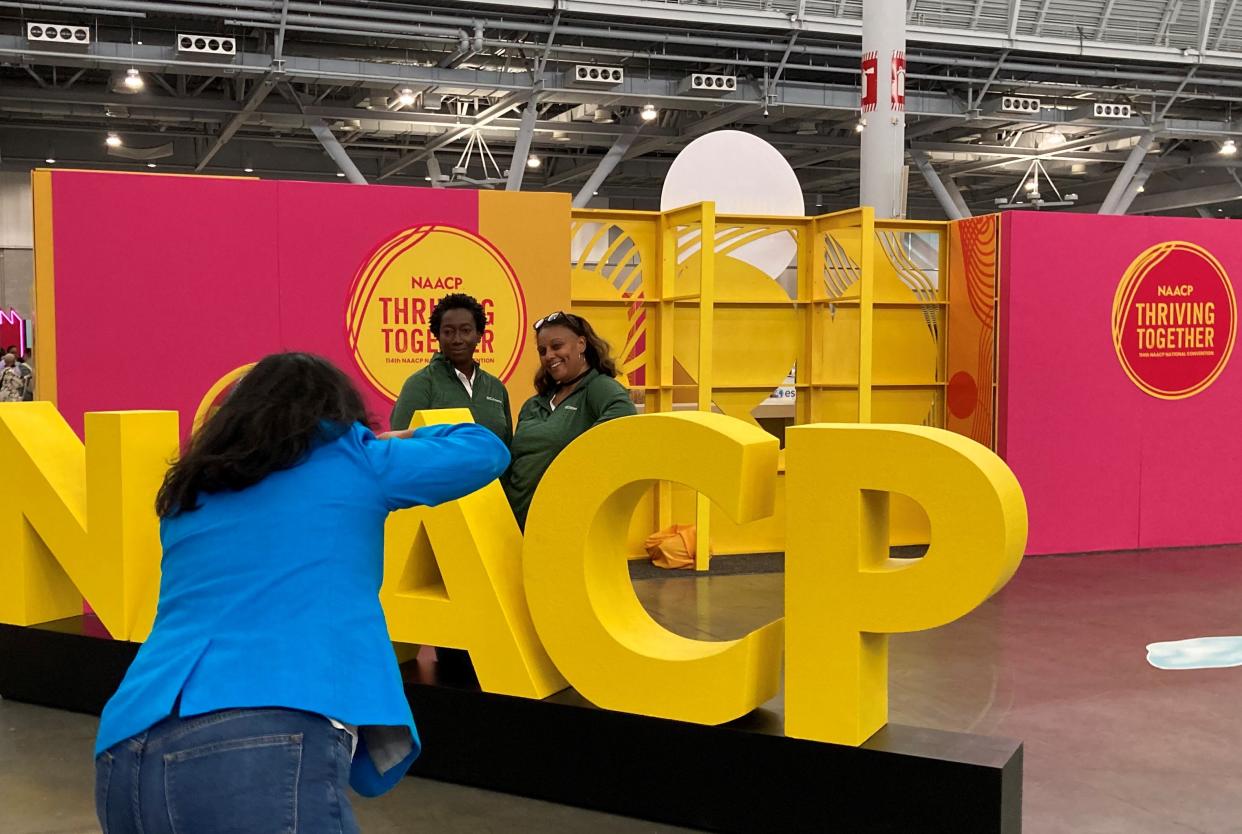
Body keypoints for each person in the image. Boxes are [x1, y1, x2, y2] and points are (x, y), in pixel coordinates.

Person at [93, 352, 510, 834]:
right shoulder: (355, 459)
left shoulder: (193, 491)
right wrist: (402, 436)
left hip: (126, 746)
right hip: (264, 733)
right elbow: (484, 449)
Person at [503, 311, 637, 529]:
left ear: (581, 344)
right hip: (516, 525)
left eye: (557, 346)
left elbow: (624, 418)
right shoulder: (533, 405)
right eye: (542, 350)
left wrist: (572, 466)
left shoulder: (598, 388)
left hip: (563, 526)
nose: (549, 355)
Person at [389, 293, 512, 443]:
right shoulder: (420, 384)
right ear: (437, 336)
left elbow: (507, 448)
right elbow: (399, 446)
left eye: (465, 331)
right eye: (448, 332)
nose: (457, 339)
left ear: (479, 335)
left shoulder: (496, 387)